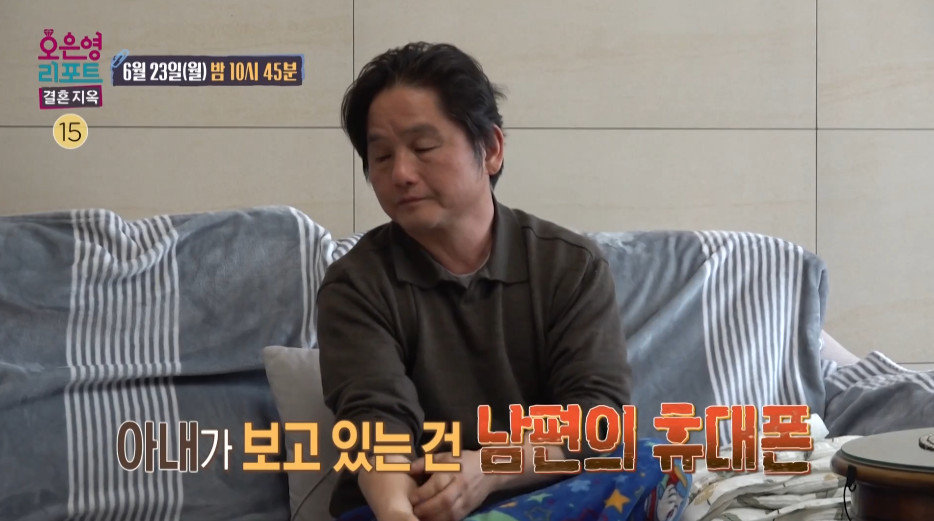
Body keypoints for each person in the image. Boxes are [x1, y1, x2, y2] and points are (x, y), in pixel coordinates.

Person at [317, 42, 632, 521]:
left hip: (546, 502)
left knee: (652, 458)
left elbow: (598, 420)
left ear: (491, 150)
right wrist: (399, 513)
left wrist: (489, 469)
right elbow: (375, 425)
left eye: (424, 148)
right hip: (417, 505)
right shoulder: (356, 284)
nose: (401, 173)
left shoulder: (570, 266)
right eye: (381, 156)